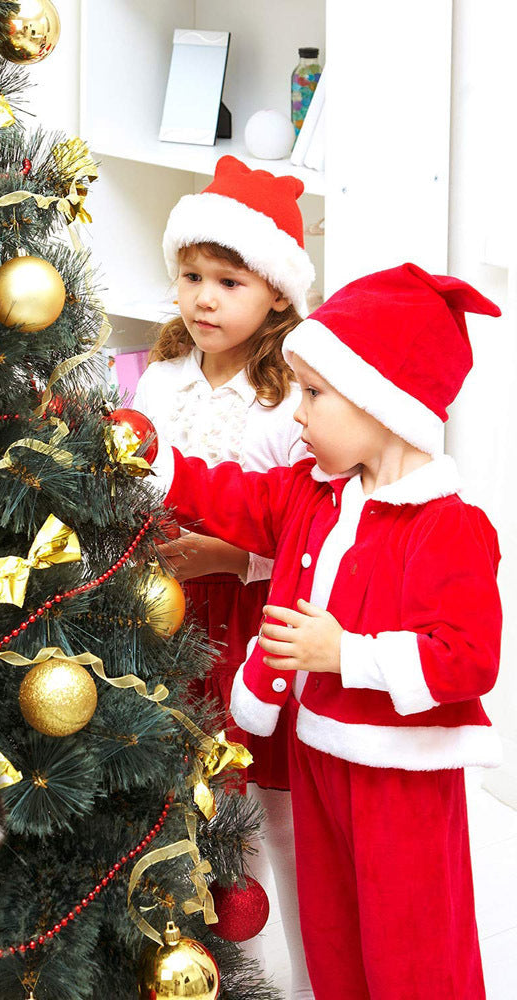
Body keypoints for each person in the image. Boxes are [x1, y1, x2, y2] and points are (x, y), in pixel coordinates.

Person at [162, 263, 502, 998]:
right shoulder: (310, 493)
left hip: (399, 778)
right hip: (318, 755)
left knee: (411, 939)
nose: (296, 415)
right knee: (331, 929)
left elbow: (469, 658)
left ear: (385, 404)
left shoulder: (449, 527)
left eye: (314, 394)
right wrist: (157, 464)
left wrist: (344, 652)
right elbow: (231, 497)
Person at [132, 154, 315, 994]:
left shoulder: (288, 404)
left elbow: (306, 527)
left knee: (235, 788)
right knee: (157, 773)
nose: (203, 298)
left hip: (238, 614)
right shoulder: (160, 379)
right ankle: (162, 940)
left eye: (228, 282)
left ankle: (250, 956)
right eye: (191, 276)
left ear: (275, 294)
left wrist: (231, 556)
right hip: (151, 608)